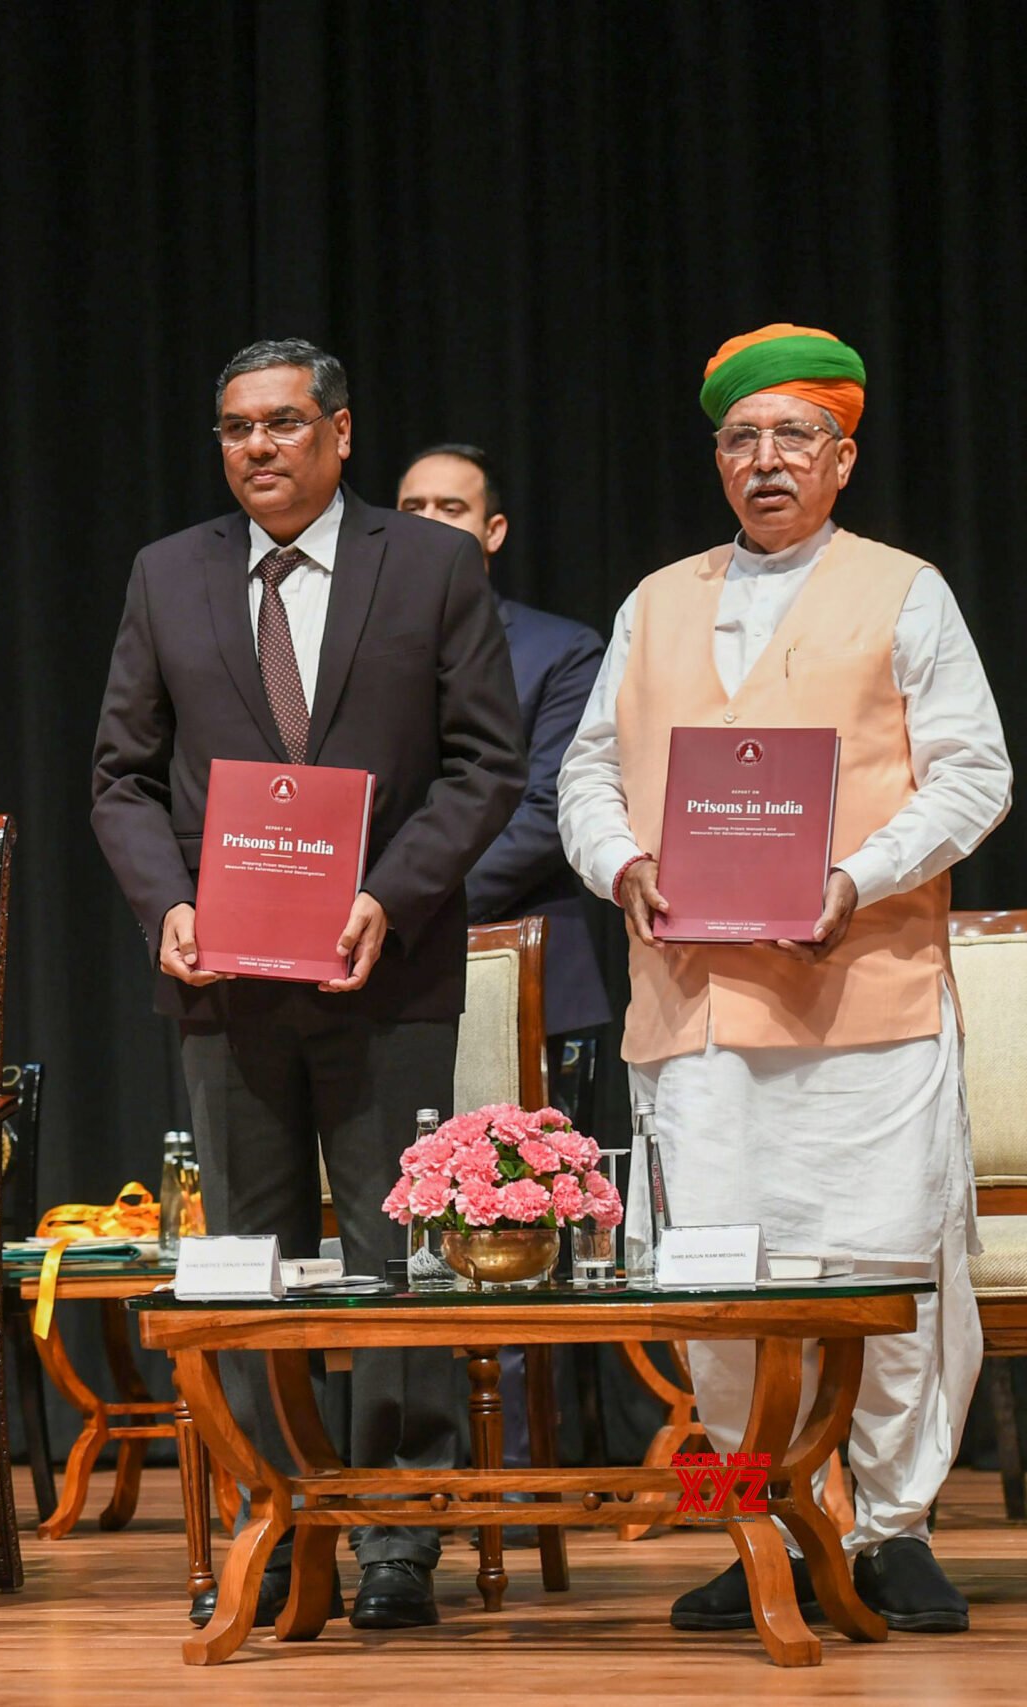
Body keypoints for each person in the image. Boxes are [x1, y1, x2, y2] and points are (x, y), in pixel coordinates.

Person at [559, 324, 1010, 1635]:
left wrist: (854, 878)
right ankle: (763, 1519)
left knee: (885, 1272)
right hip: (696, 1007)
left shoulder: (904, 589)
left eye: (794, 436)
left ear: (843, 458)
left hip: (860, 998)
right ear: (717, 460)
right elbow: (587, 767)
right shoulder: (655, 601)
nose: (767, 460)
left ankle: (889, 1528)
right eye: (743, 439)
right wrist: (619, 861)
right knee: (718, 1284)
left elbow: (976, 771)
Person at [91, 339, 524, 1632]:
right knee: (248, 1263)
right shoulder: (167, 575)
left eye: (283, 424)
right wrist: (165, 903)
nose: (258, 448)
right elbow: (120, 773)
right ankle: (276, 1520)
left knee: (396, 1260)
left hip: (384, 971)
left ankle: (397, 1531)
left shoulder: (432, 565)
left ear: (341, 432)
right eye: (235, 429)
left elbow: (485, 762)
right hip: (225, 983)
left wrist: (386, 893)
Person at [395, 445, 612, 1123]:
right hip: (379, 972)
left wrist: (401, 901)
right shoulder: (349, 650)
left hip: (528, 970)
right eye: (412, 508)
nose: (429, 521)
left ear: (494, 531)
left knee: (538, 1213)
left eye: (451, 507)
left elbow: (550, 811)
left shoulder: (561, 651)